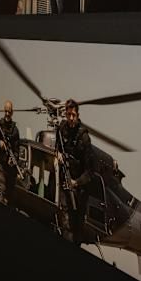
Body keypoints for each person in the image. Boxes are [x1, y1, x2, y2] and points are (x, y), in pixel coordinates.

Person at [56, 99, 94, 245]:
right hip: (66, 183)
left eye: (73, 115)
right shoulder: (62, 130)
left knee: (77, 227)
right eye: (69, 115)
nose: (71, 118)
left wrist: (76, 183)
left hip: (80, 189)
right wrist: (58, 154)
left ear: (78, 115)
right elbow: (57, 147)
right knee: (65, 220)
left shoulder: (84, 138)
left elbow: (90, 171)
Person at [0, 100, 20, 205]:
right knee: (2, 191)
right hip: (1, 164)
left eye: (9, 111)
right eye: (6, 111)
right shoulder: (0, 124)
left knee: (11, 196)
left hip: (11, 169)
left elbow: (17, 149)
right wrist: (0, 143)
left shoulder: (15, 130)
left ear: (12, 112)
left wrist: (13, 158)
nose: (7, 114)